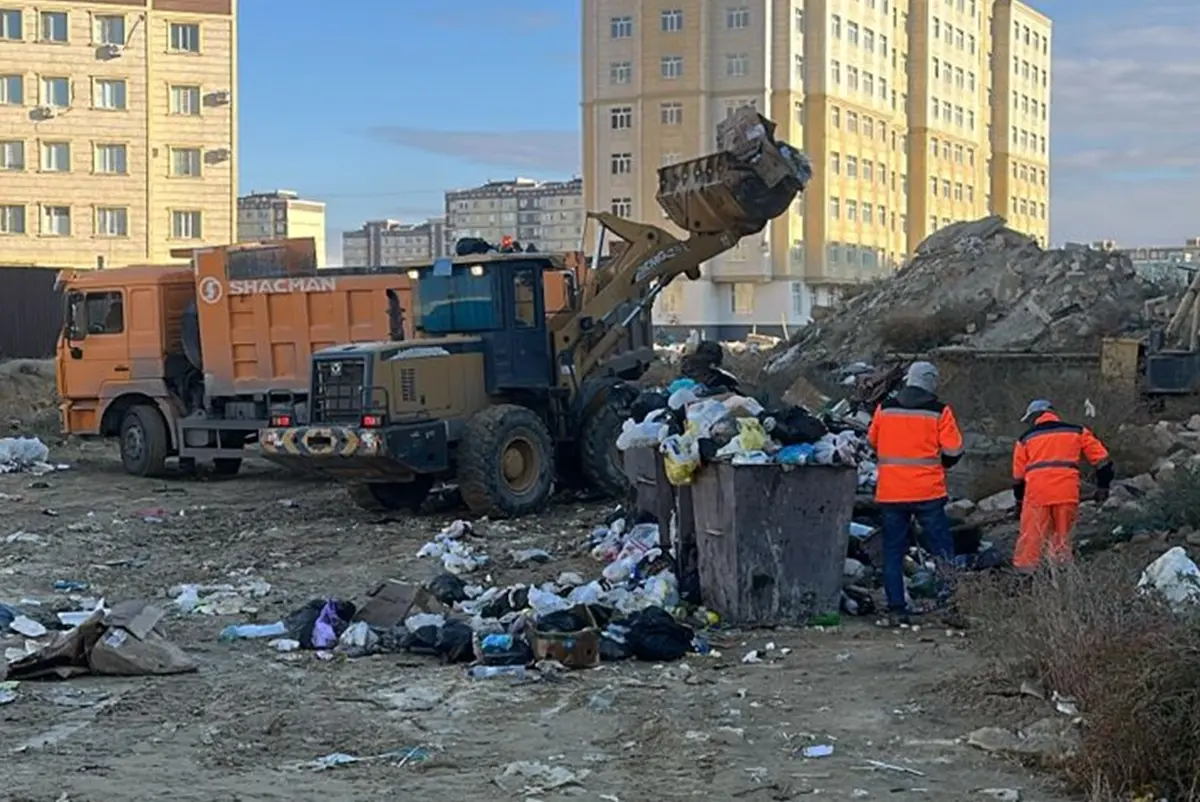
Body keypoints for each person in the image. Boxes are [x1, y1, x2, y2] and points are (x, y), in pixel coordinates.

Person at [867, 361, 964, 625]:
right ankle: (949, 604)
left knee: (893, 551)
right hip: (927, 492)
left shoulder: (885, 408)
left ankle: (896, 608)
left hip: (891, 492)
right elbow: (954, 450)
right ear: (932, 382)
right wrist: (942, 463)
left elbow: (872, 441)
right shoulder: (939, 411)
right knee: (941, 548)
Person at [1011, 399, 1113, 572]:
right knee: (1062, 538)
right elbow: (1104, 462)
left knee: (1031, 540)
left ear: (1035, 417)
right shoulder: (1077, 431)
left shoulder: (1025, 439)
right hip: (1067, 493)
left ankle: (1024, 581)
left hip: (1037, 495)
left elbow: (1018, 478)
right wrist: (1103, 487)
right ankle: (1061, 577)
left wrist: (1019, 503)